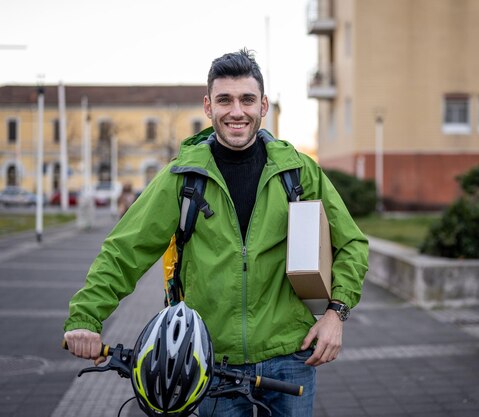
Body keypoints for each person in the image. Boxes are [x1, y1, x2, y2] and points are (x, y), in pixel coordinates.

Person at [63, 49, 368, 417]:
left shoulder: (298, 171)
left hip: (291, 355)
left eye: (247, 100)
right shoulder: (184, 177)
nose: (236, 111)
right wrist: (85, 318)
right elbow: (124, 251)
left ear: (263, 106)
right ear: (208, 107)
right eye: (225, 100)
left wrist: (336, 314)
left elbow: (351, 243)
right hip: (209, 362)